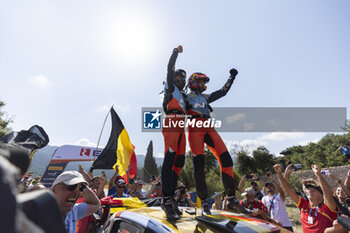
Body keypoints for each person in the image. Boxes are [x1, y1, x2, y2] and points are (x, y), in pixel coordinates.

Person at [186, 68, 238, 215]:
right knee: (199, 165)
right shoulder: (185, 97)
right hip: (194, 126)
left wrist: (231, 77)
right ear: (194, 82)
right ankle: (203, 201)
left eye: (203, 81)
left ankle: (231, 198)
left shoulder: (205, 97)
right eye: (201, 81)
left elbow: (223, 92)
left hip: (208, 126)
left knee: (227, 160)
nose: (203, 84)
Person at [161, 45, 187, 220]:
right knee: (169, 159)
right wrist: (175, 53)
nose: (180, 79)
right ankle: (166, 199)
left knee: (179, 161)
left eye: (182, 77)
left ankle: (171, 198)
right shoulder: (170, 87)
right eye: (178, 76)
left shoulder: (183, 94)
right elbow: (169, 69)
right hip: (172, 121)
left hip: (181, 124)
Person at [274, 163, 338, 233]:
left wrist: (318, 175)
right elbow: (289, 190)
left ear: (322, 195)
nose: (309, 190)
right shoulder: (304, 205)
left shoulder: (327, 208)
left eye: (313, 190)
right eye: (308, 189)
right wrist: (279, 175)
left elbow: (328, 194)